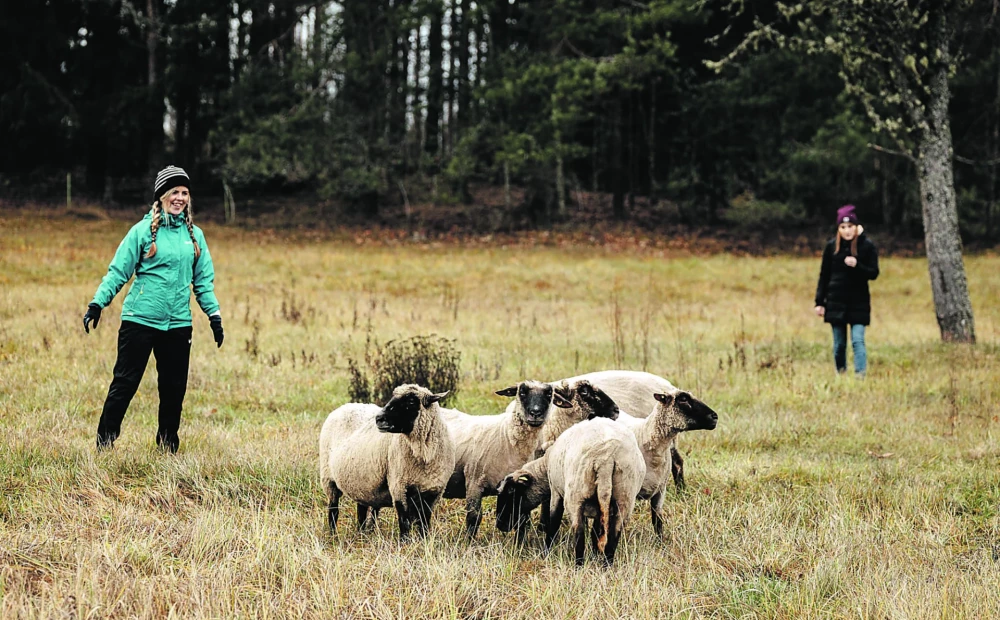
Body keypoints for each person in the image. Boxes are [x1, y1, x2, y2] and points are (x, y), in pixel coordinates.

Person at [83, 165, 224, 452]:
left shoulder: (195, 236)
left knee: (173, 390)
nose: (180, 198)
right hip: (140, 320)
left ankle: (167, 446)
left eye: (185, 193)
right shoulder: (142, 232)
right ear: (161, 196)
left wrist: (214, 316)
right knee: (125, 383)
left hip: (178, 324)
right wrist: (98, 303)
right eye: (174, 192)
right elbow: (118, 271)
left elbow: (203, 283)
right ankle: (105, 443)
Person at [814, 204, 879, 377]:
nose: (847, 231)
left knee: (858, 340)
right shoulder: (831, 248)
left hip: (858, 302)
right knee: (839, 345)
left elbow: (874, 273)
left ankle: (860, 376)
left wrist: (858, 265)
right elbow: (824, 276)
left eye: (850, 226)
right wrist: (820, 302)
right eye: (843, 227)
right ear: (838, 229)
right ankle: (841, 374)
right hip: (836, 302)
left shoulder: (867, 246)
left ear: (856, 227)